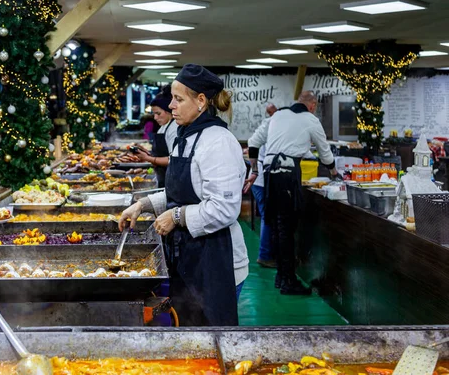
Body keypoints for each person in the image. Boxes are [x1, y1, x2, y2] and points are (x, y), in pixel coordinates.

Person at [119, 64, 248, 326]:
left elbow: (224, 208)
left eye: (178, 99)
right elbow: (179, 191)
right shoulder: (186, 136)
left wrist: (177, 217)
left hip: (216, 263)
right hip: (190, 259)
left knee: (210, 343)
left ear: (201, 101)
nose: (171, 106)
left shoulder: (218, 142)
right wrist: (142, 205)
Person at [245, 91, 338, 295]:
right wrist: (334, 172)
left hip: (270, 175)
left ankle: (281, 276)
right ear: (312, 106)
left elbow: (253, 143)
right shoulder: (310, 120)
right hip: (287, 174)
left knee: (277, 227)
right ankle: (288, 281)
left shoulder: (277, 116)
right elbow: (325, 153)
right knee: (287, 228)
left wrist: (254, 169)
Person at [243, 103, 278, 268]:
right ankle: (265, 255)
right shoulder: (272, 127)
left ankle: (267, 253)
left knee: (267, 216)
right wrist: (256, 170)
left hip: (259, 178)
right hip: (262, 180)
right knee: (268, 217)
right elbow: (253, 145)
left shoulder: (269, 126)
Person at [134, 86, 179, 188]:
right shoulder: (163, 127)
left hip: (171, 180)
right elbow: (162, 153)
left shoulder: (174, 128)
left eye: (158, 113)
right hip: (162, 177)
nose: (155, 118)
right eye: (154, 114)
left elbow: (172, 160)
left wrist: (148, 158)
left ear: (169, 111)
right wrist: (146, 152)